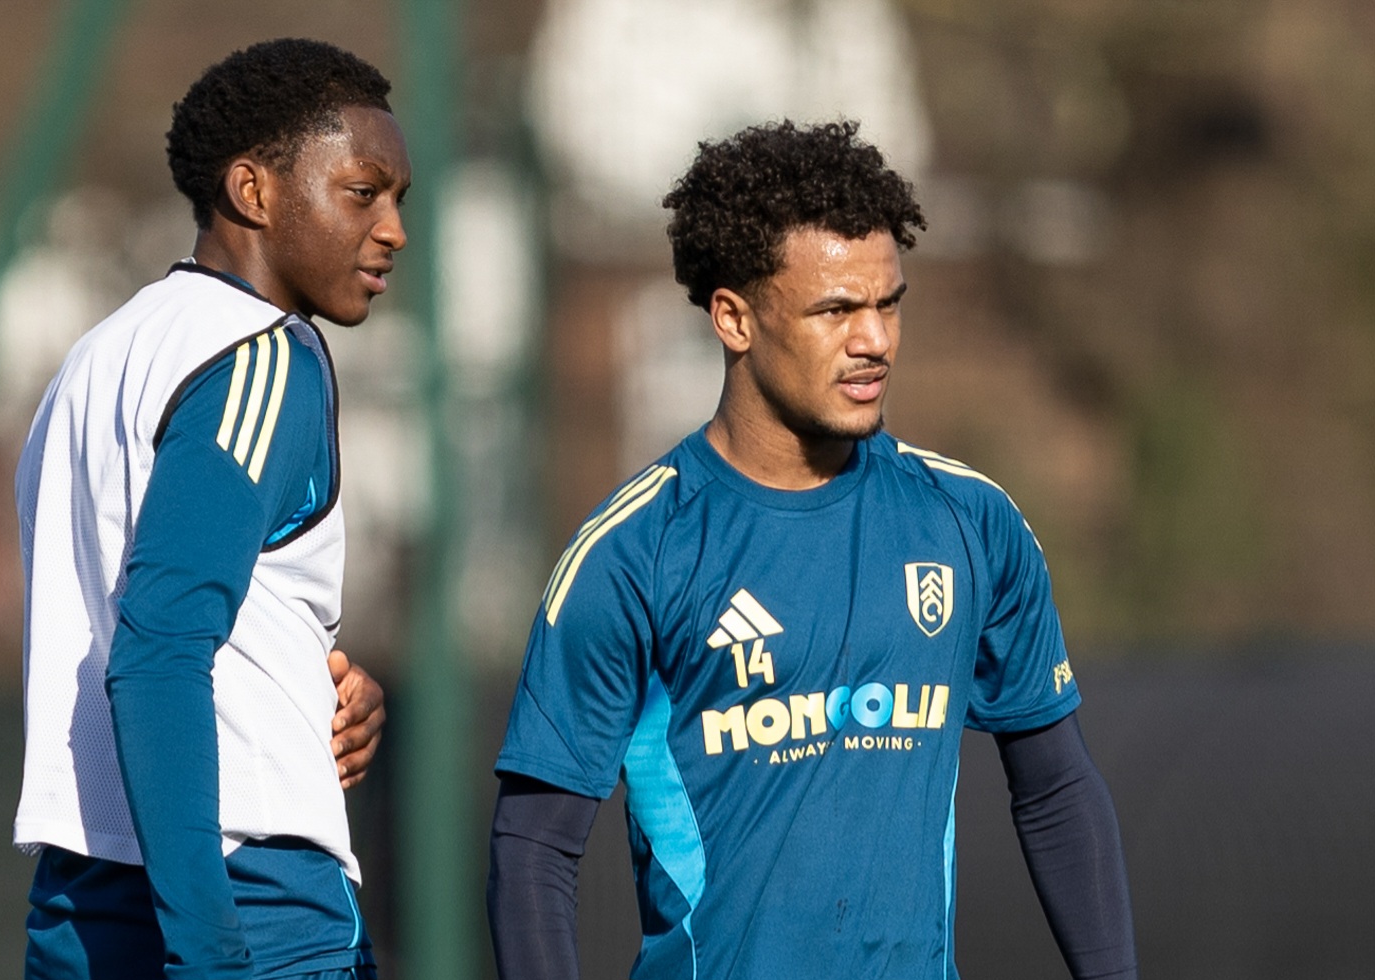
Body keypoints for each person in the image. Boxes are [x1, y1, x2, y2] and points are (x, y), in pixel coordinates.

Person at [487, 120, 1137, 980]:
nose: (875, 340)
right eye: (836, 310)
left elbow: (1056, 789)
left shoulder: (970, 522)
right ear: (734, 318)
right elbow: (533, 850)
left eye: (888, 303)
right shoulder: (633, 553)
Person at [13, 38, 410, 980]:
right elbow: (158, 649)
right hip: (244, 901)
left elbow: (152, 616)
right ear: (253, 190)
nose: (393, 228)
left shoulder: (96, 359)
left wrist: (315, 687)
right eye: (363, 192)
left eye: (400, 199)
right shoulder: (261, 354)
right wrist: (210, 951)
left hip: (84, 899)